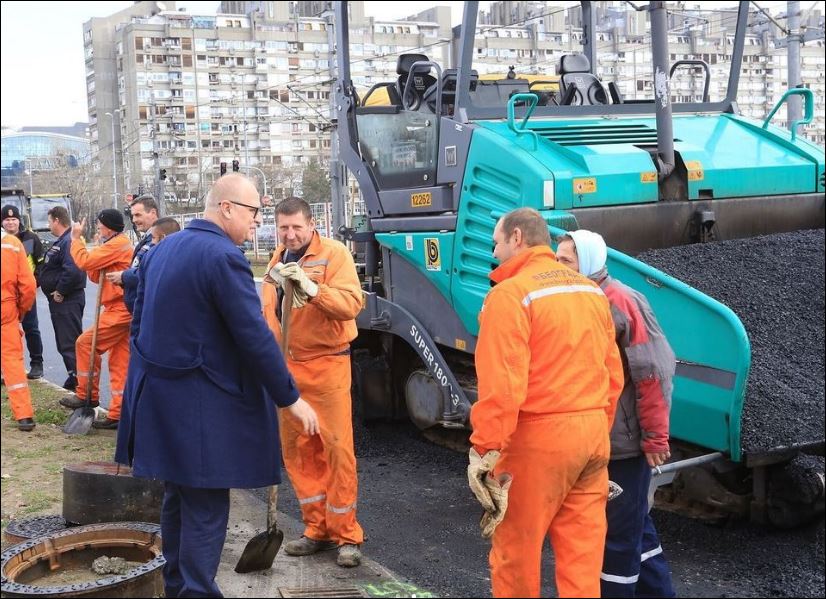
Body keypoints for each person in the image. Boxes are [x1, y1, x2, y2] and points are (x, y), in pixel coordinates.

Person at [114, 174, 319, 598]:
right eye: (254, 213)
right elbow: (253, 335)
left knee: (176, 500)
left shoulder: (164, 248)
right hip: (201, 407)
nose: (257, 224)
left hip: (161, 399)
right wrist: (290, 397)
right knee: (205, 506)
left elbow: (139, 318)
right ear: (226, 207)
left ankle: (176, 587)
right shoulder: (222, 256)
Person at [468, 208, 624, 598]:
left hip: (538, 440)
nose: (495, 253)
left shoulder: (510, 296)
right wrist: (594, 432)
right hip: (591, 437)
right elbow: (613, 376)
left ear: (517, 238)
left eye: (497, 243)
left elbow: (503, 386)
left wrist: (485, 450)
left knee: (515, 554)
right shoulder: (590, 291)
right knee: (582, 559)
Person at [556, 230, 676, 599]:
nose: (558, 267)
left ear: (590, 261)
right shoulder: (581, 298)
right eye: (556, 259)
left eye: (566, 261)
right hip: (600, 438)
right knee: (637, 526)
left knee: (619, 539)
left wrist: (655, 436)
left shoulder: (619, 301)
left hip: (623, 444)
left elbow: (655, 370)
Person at [261, 196, 365, 568]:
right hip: (289, 369)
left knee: (337, 450)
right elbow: (267, 316)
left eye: (296, 228)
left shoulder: (334, 254)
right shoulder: (276, 260)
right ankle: (316, 529)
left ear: (311, 225)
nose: (290, 234)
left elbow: (352, 305)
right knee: (299, 452)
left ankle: (346, 535)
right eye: (283, 228)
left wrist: (314, 289)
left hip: (328, 365)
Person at [59, 209, 133, 430]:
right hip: (118, 307)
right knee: (120, 362)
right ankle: (118, 414)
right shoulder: (113, 244)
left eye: (100, 224)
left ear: (108, 226)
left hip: (120, 309)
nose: (98, 228)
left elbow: (84, 262)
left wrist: (76, 239)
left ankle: (86, 395)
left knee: (85, 343)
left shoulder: (117, 244)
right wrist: (97, 254)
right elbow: (93, 272)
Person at [38, 206, 86, 391]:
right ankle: (74, 377)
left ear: (57, 220)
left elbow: (73, 270)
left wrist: (60, 291)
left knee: (70, 342)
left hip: (67, 300)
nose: (48, 225)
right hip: (63, 301)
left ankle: (80, 384)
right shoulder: (63, 240)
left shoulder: (68, 241)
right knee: (65, 342)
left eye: (49, 221)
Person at [2, 205, 44, 379]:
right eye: (7, 219)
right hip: (6, 295)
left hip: (26, 293)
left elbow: (41, 265)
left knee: (31, 328)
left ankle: (37, 364)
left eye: (14, 219)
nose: (11, 222)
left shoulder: (31, 238)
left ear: (19, 220)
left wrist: (33, 285)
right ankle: (6, 368)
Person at [2, 228, 38, 431]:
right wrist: (21, 310)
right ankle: (24, 415)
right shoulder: (13, 244)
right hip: (6, 308)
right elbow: (28, 284)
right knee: (12, 360)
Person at [105, 195, 159, 314]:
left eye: (138, 215)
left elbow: (151, 272)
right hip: (139, 309)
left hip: (148, 310)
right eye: (132, 216)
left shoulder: (159, 239)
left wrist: (124, 276)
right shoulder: (148, 238)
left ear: (153, 213)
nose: (134, 220)